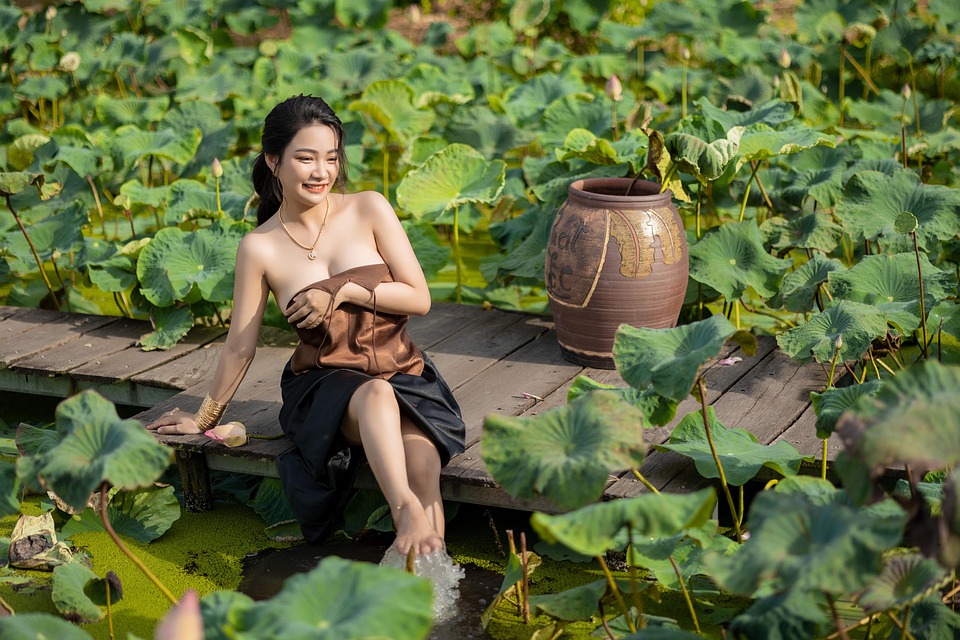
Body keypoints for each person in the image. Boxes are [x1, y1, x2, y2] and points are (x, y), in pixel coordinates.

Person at [146, 94, 465, 556]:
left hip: (405, 372)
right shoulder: (260, 247)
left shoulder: (368, 207)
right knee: (375, 396)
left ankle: (432, 582)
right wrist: (204, 417)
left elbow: (419, 298)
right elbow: (240, 346)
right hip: (326, 385)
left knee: (422, 462)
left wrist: (345, 290)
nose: (322, 171)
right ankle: (404, 513)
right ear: (274, 161)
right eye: (306, 158)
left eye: (332, 158)